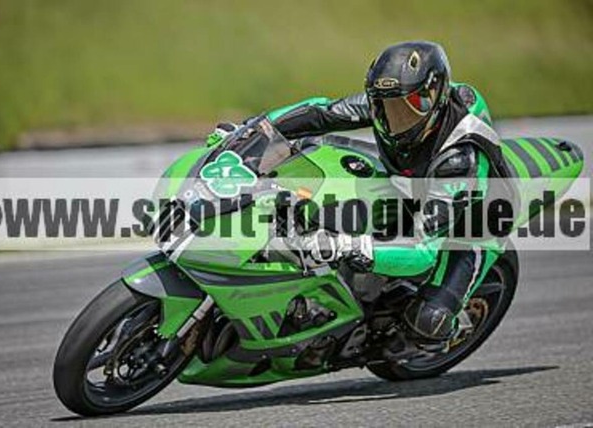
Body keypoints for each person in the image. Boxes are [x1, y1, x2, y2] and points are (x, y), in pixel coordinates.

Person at [208, 41, 513, 358]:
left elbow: (422, 251)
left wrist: (344, 245)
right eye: (385, 106)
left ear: (434, 98)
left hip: (473, 224)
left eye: (410, 107)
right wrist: (250, 132)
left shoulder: (459, 160)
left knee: (428, 321)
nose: (396, 118)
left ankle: (446, 329)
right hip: (410, 188)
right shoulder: (388, 103)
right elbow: (320, 112)